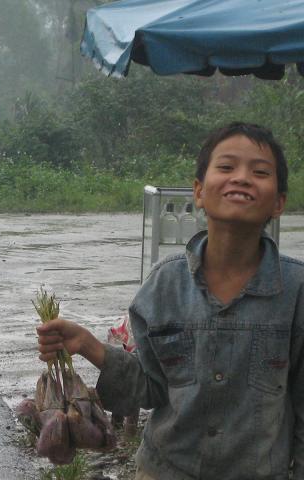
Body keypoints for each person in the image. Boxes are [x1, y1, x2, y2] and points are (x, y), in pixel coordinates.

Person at [37, 122, 304, 480]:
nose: (241, 178)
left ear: (279, 202)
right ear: (198, 191)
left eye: (259, 172)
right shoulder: (165, 283)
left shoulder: (296, 290)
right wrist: (87, 345)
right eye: (226, 167)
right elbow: (151, 387)